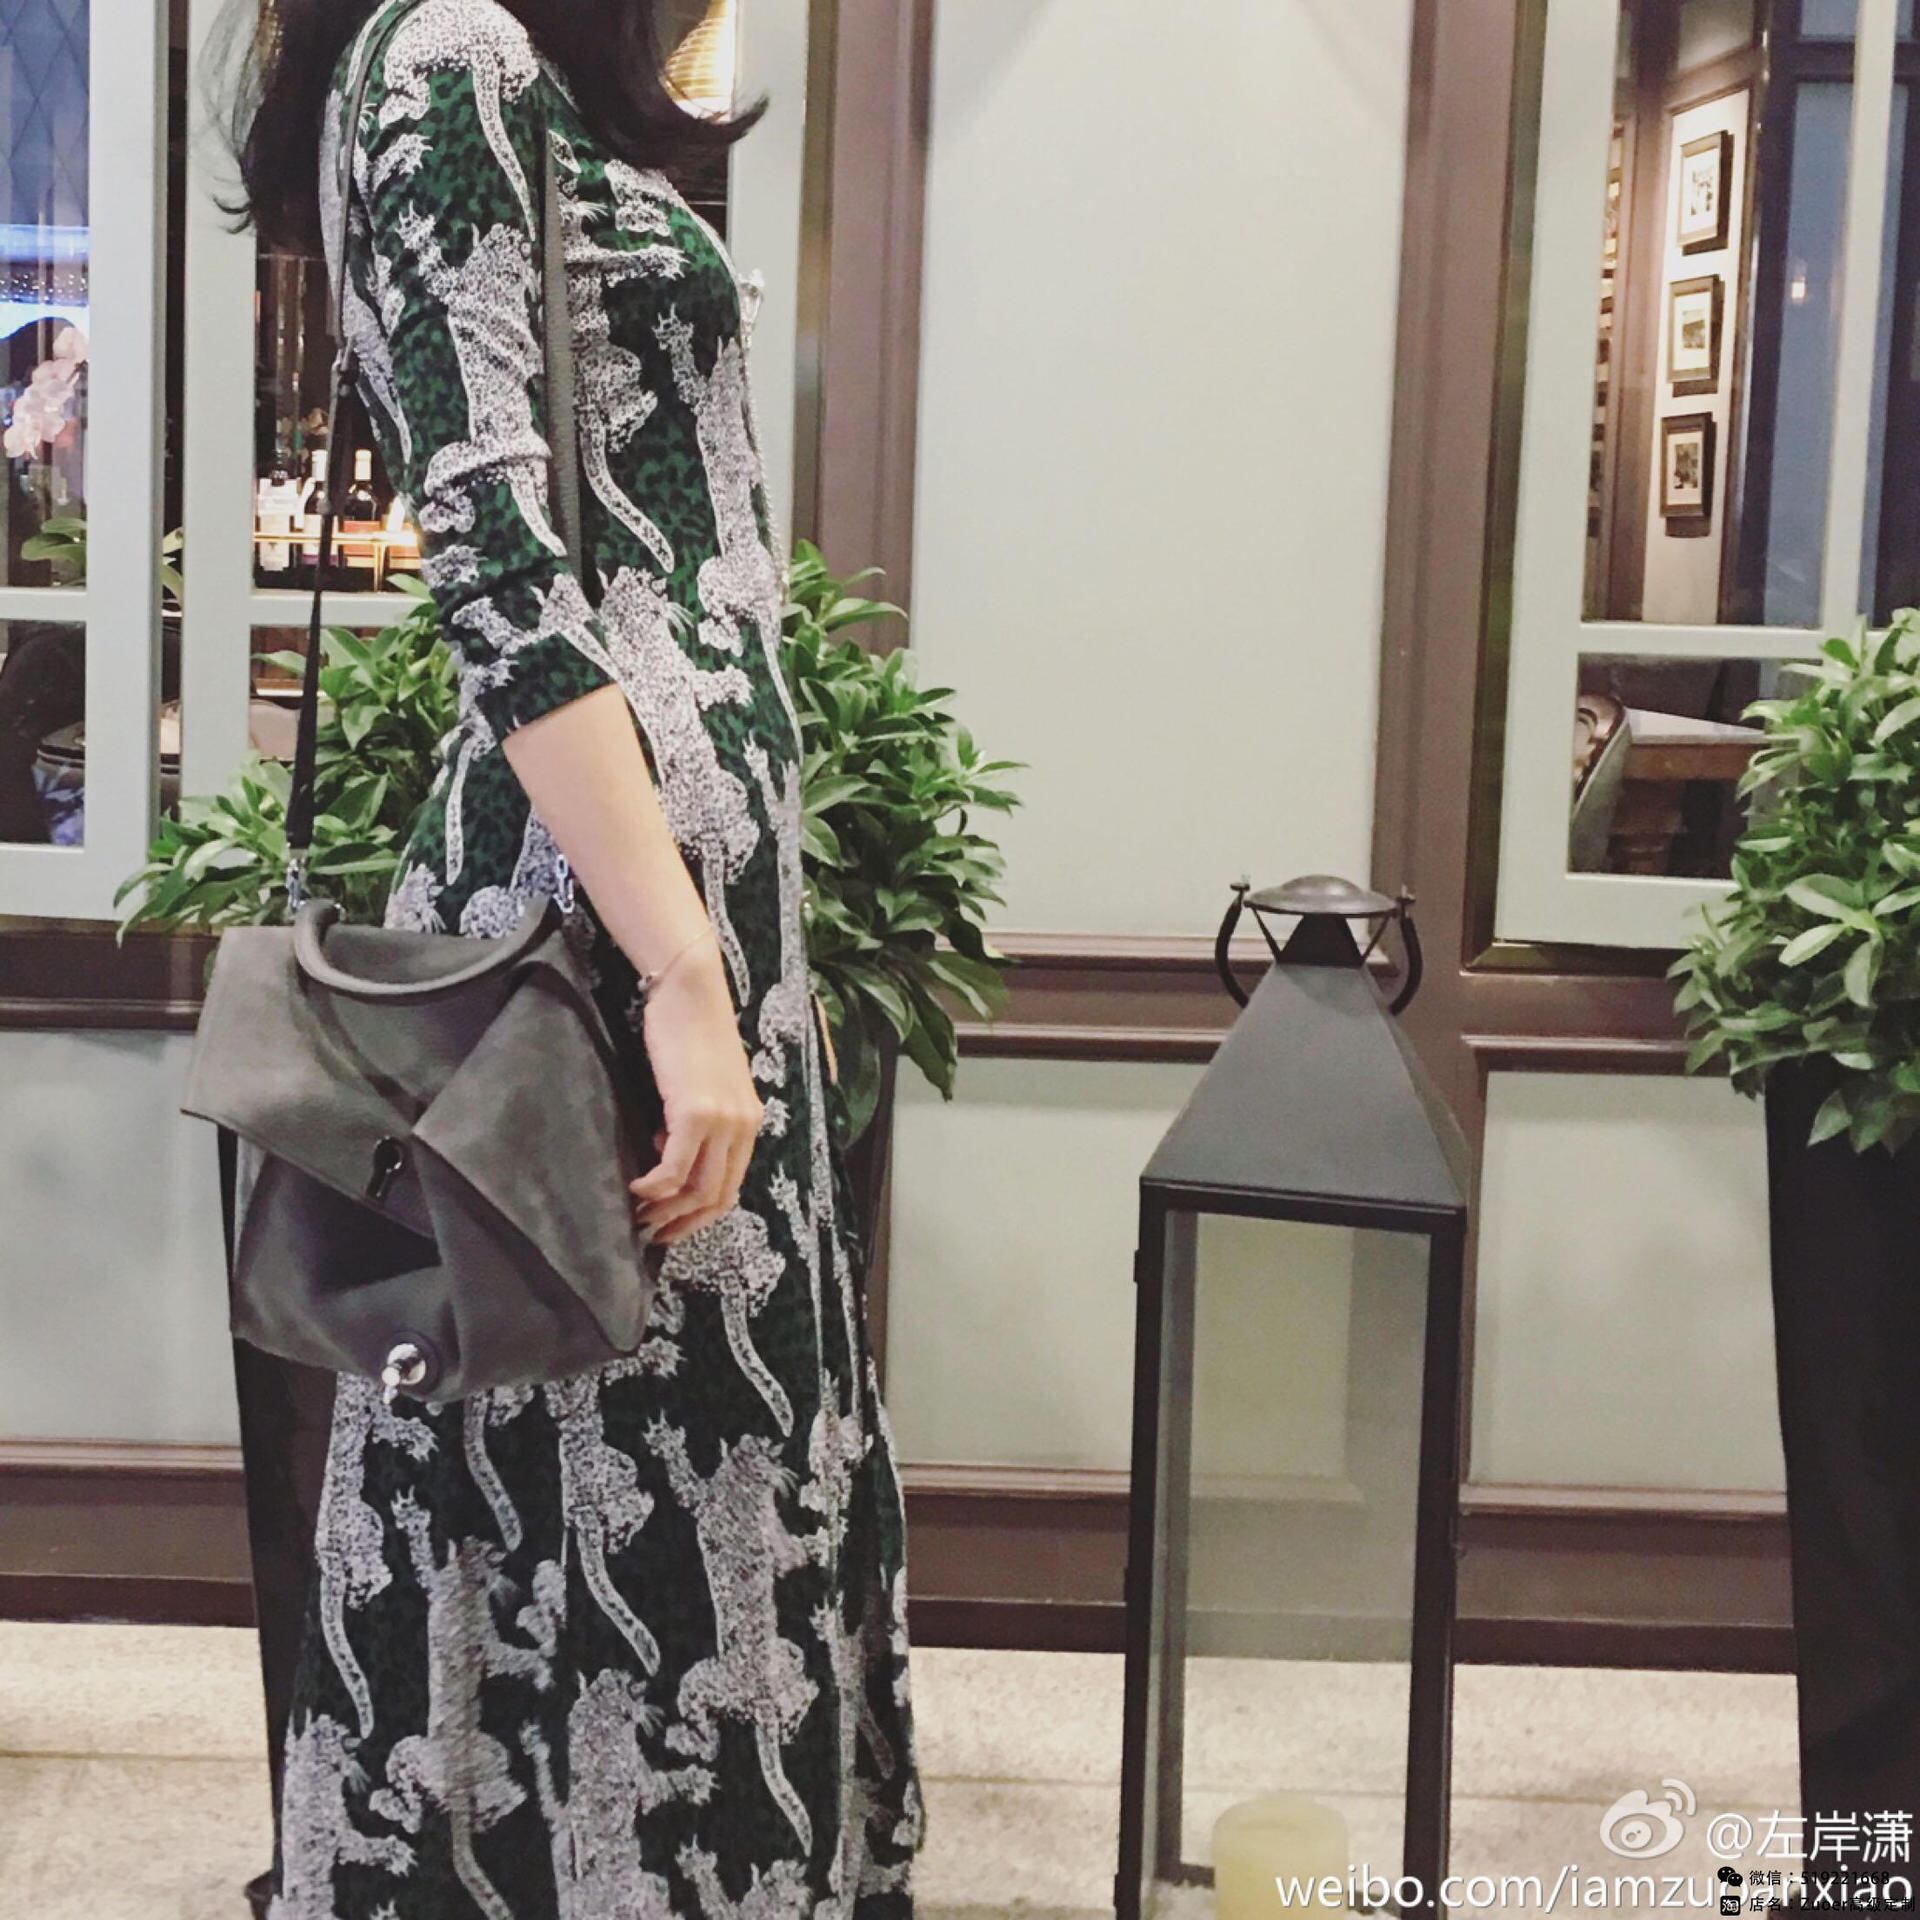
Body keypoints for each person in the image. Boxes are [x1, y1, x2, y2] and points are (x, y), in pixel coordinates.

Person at [222, 0, 922, 1911]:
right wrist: (685, 974)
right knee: (608, 1499)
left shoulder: (518, 75)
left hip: (676, 910)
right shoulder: (444, 51)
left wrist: (741, 959)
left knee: (705, 1484)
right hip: (602, 925)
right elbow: (498, 573)